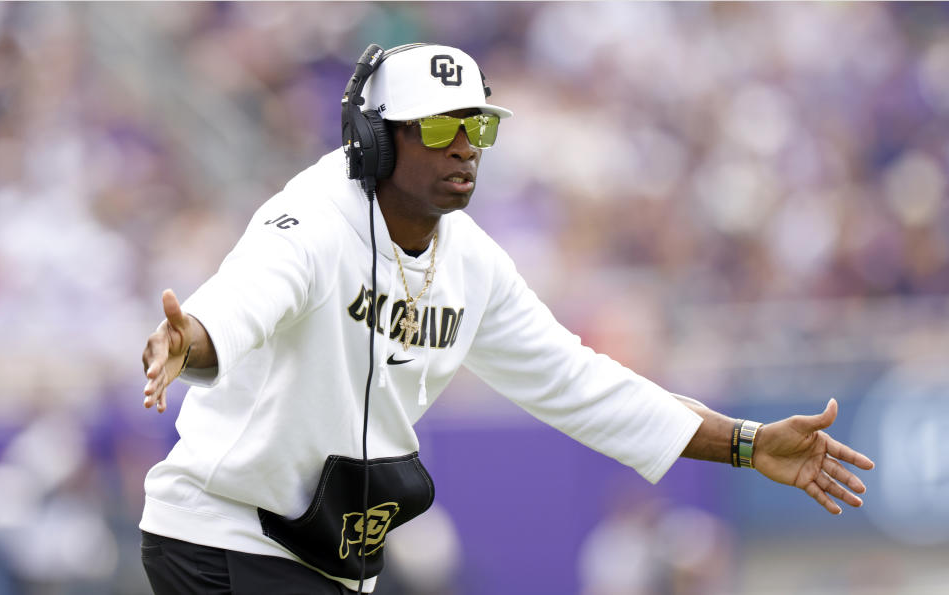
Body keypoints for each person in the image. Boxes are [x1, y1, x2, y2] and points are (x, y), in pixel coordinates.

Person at [139, 43, 874, 595]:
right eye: (436, 129)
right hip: (222, 531)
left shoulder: (474, 263)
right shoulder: (314, 217)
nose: (463, 146)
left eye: (476, 129)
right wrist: (190, 339)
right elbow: (242, 302)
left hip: (324, 557)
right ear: (373, 137)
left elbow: (584, 384)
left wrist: (745, 443)